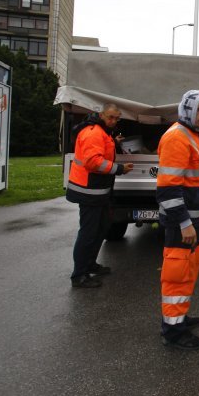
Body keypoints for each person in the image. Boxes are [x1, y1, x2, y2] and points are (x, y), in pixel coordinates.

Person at [157, 90, 199, 350]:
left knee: (189, 272)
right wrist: (184, 223)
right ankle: (173, 331)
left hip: (194, 222)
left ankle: (180, 317)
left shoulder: (192, 135)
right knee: (177, 276)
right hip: (184, 225)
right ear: (187, 109)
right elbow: (168, 189)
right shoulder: (177, 137)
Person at [66, 103, 133, 288]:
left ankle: (90, 264)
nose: (113, 121)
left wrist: (115, 143)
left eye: (117, 118)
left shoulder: (103, 132)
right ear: (101, 114)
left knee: (101, 228)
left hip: (98, 191)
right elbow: (93, 162)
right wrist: (119, 169)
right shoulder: (94, 132)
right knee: (88, 233)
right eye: (110, 117)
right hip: (88, 191)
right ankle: (79, 275)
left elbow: (100, 151)